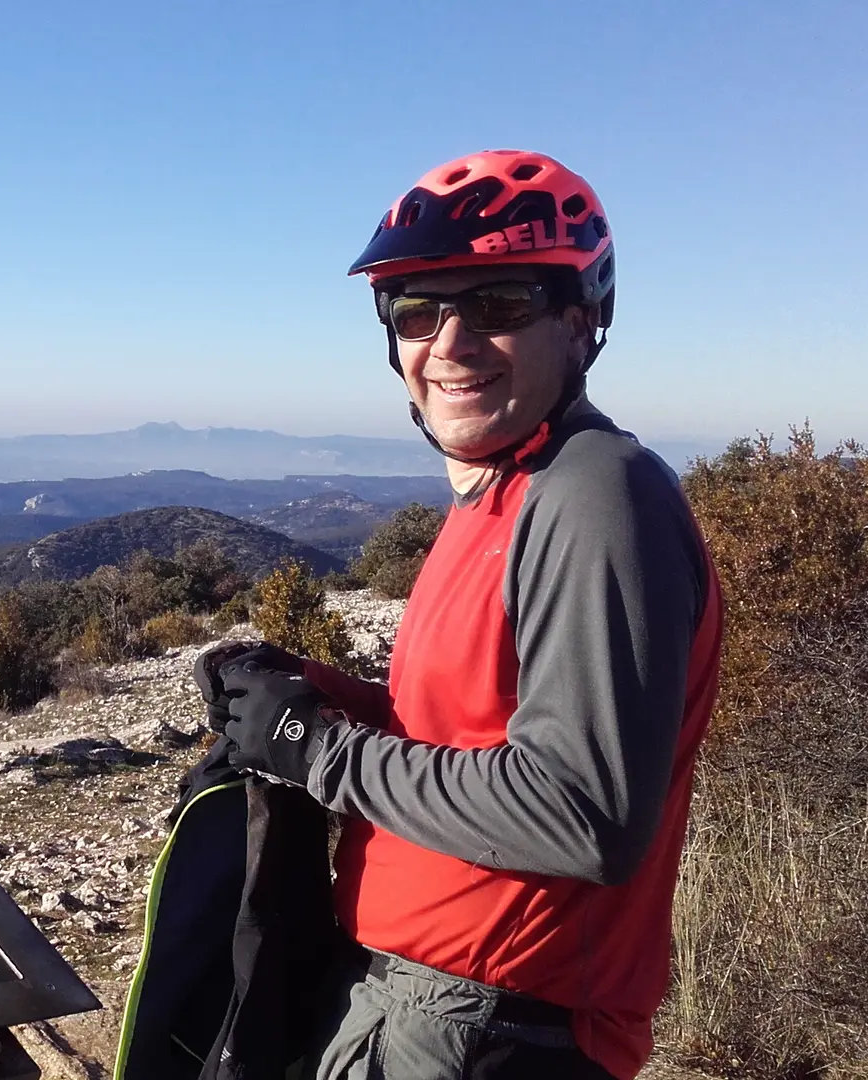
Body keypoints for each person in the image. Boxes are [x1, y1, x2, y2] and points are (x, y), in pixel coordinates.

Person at [203, 150, 724, 1080]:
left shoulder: (598, 494)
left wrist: (318, 750)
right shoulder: (505, 493)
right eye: (416, 309)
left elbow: (584, 813)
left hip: (488, 1024)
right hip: (427, 1004)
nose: (447, 341)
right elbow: (468, 733)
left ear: (579, 321)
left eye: (497, 305)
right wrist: (312, 698)